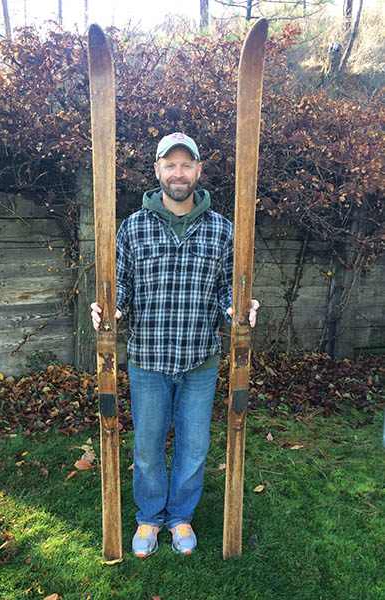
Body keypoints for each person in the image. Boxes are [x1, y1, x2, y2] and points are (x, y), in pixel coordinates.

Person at [91, 132, 259, 558]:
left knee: (195, 446)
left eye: (187, 165)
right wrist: (106, 309)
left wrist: (242, 308)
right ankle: (149, 518)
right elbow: (121, 289)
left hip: (200, 360)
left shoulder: (223, 229)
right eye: (170, 165)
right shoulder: (132, 228)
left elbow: (228, 290)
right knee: (147, 446)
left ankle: (180, 516)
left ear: (198, 171)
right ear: (157, 171)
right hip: (147, 359)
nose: (178, 173)